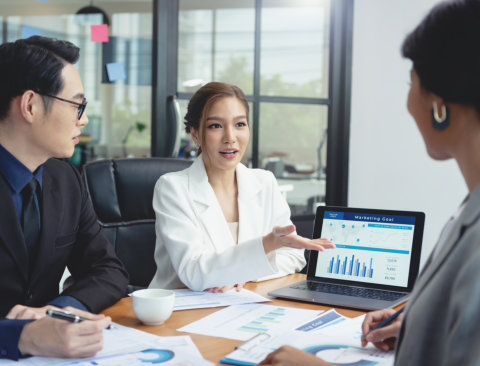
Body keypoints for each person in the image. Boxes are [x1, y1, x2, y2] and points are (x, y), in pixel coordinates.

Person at [258, 0, 480, 365]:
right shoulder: (467, 209)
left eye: (412, 84)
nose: (409, 103)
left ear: (440, 106)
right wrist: (415, 323)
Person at [0, 36, 129, 360]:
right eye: (77, 105)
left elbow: (107, 269)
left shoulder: (65, 178)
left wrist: (59, 311)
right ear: (30, 105)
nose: (83, 120)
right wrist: (19, 335)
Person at [149, 82, 334, 292]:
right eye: (215, 126)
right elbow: (194, 272)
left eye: (239, 124)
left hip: (243, 306)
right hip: (178, 313)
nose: (230, 138)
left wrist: (242, 274)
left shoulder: (264, 182)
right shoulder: (173, 188)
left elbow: (292, 255)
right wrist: (266, 246)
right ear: (195, 134)